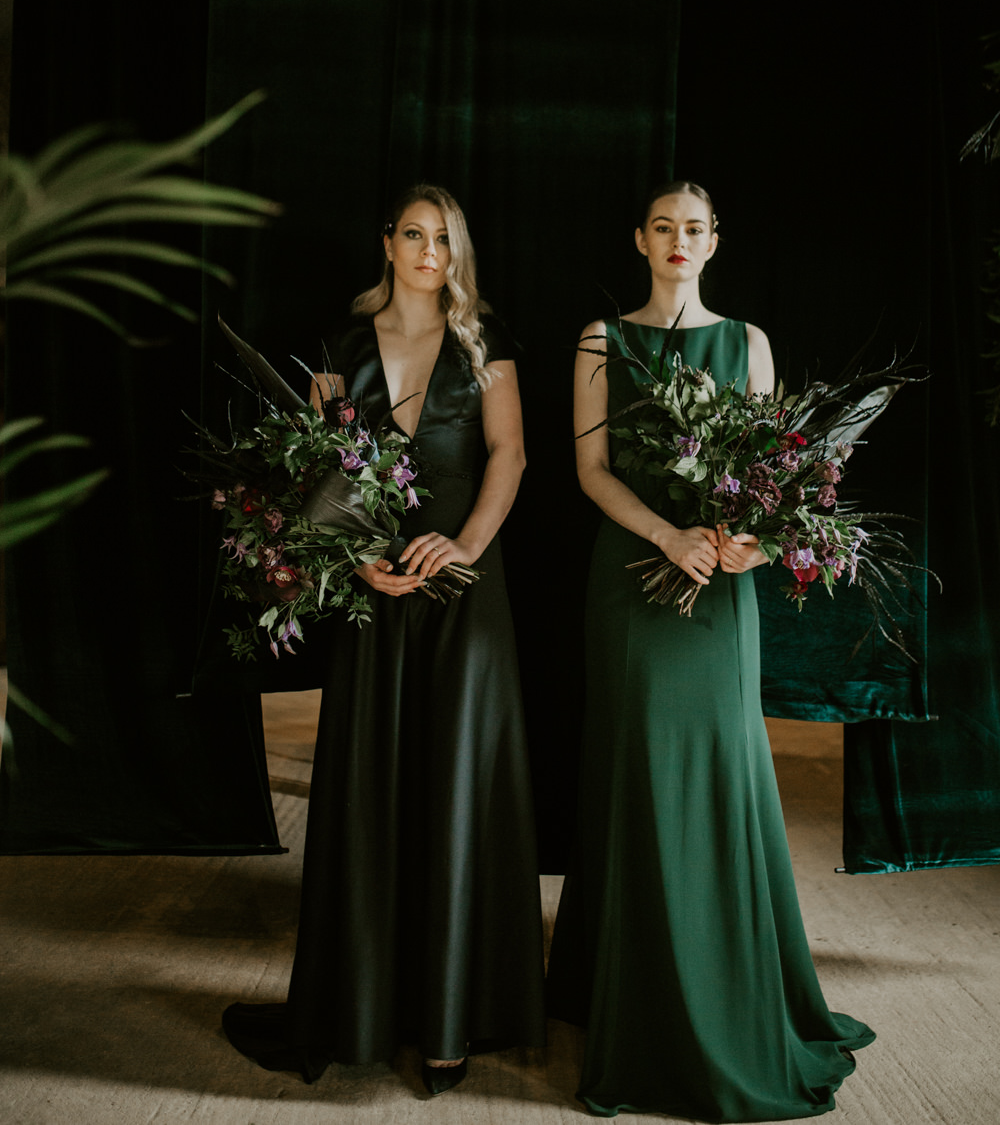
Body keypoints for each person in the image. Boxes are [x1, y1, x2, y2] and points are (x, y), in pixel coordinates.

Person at [545, 181, 875, 1121]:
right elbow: (590, 469)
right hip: (634, 575)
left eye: (694, 229)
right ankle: (629, 985)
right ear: (640, 241)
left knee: (722, 771)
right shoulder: (602, 338)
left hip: (722, 584)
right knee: (639, 770)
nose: (678, 241)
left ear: (714, 242)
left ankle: (726, 986)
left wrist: (752, 543)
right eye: (663, 229)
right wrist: (667, 537)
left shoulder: (750, 343)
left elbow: (771, 472)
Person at [223, 184, 545, 1093]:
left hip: (462, 591)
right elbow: (321, 472)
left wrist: (466, 547)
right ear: (390, 245)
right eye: (414, 234)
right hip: (373, 591)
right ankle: (361, 1007)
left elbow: (511, 456)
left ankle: (449, 1025)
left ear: (459, 250)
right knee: (372, 791)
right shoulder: (339, 350)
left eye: (444, 238)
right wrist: (356, 559)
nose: (428, 251)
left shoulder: (489, 345)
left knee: (454, 791)